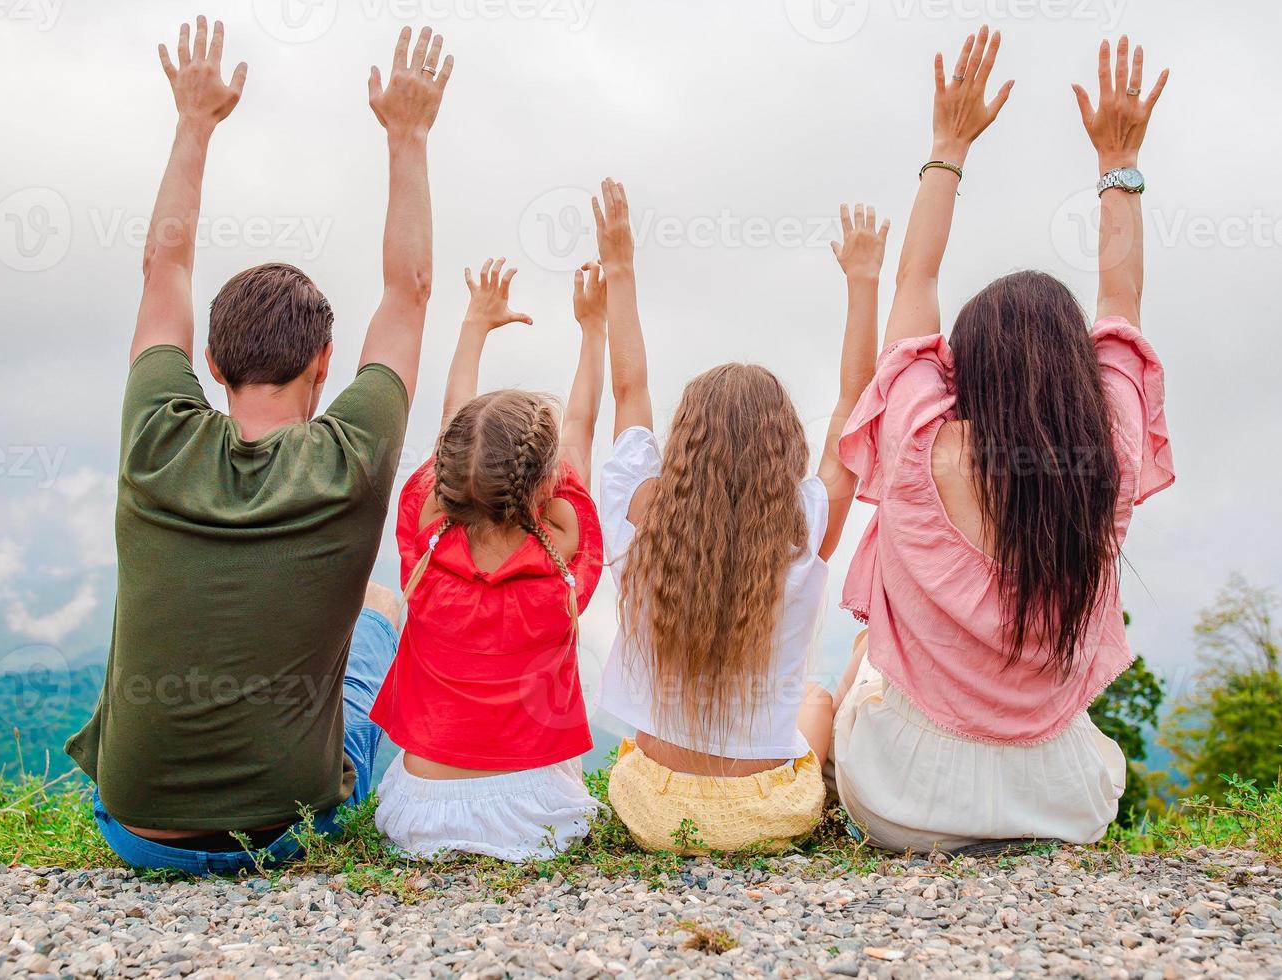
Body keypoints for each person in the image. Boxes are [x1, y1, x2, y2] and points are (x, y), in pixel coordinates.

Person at [64, 20, 454, 873]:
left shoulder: (155, 433)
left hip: (134, 829)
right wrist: (408, 135)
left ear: (206, 363)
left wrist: (194, 122)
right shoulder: (350, 457)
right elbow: (410, 291)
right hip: (283, 829)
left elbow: (162, 270)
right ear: (325, 364)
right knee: (381, 612)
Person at [827, 28, 1174, 853]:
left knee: (865, 664)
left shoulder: (918, 441)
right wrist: (1116, 163)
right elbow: (1120, 299)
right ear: (1076, 371)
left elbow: (913, 284)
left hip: (902, 803)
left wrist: (947, 146)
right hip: (1061, 807)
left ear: (964, 368)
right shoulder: (1109, 454)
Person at [592, 179, 889, 855]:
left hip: (655, 810)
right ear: (784, 449)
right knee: (815, 699)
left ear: (684, 443)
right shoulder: (808, 527)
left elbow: (630, 387)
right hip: (768, 813)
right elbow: (854, 396)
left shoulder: (636, 514)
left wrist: (620, 265)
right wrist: (864, 279)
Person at [369, 257, 609, 861]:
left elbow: (456, 424)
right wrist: (594, 327)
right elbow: (581, 421)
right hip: (534, 818)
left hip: (422, 814)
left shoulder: (425, 557)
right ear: (549, 480)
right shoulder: (562, 569)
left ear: (449, 475)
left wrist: (474, 322)